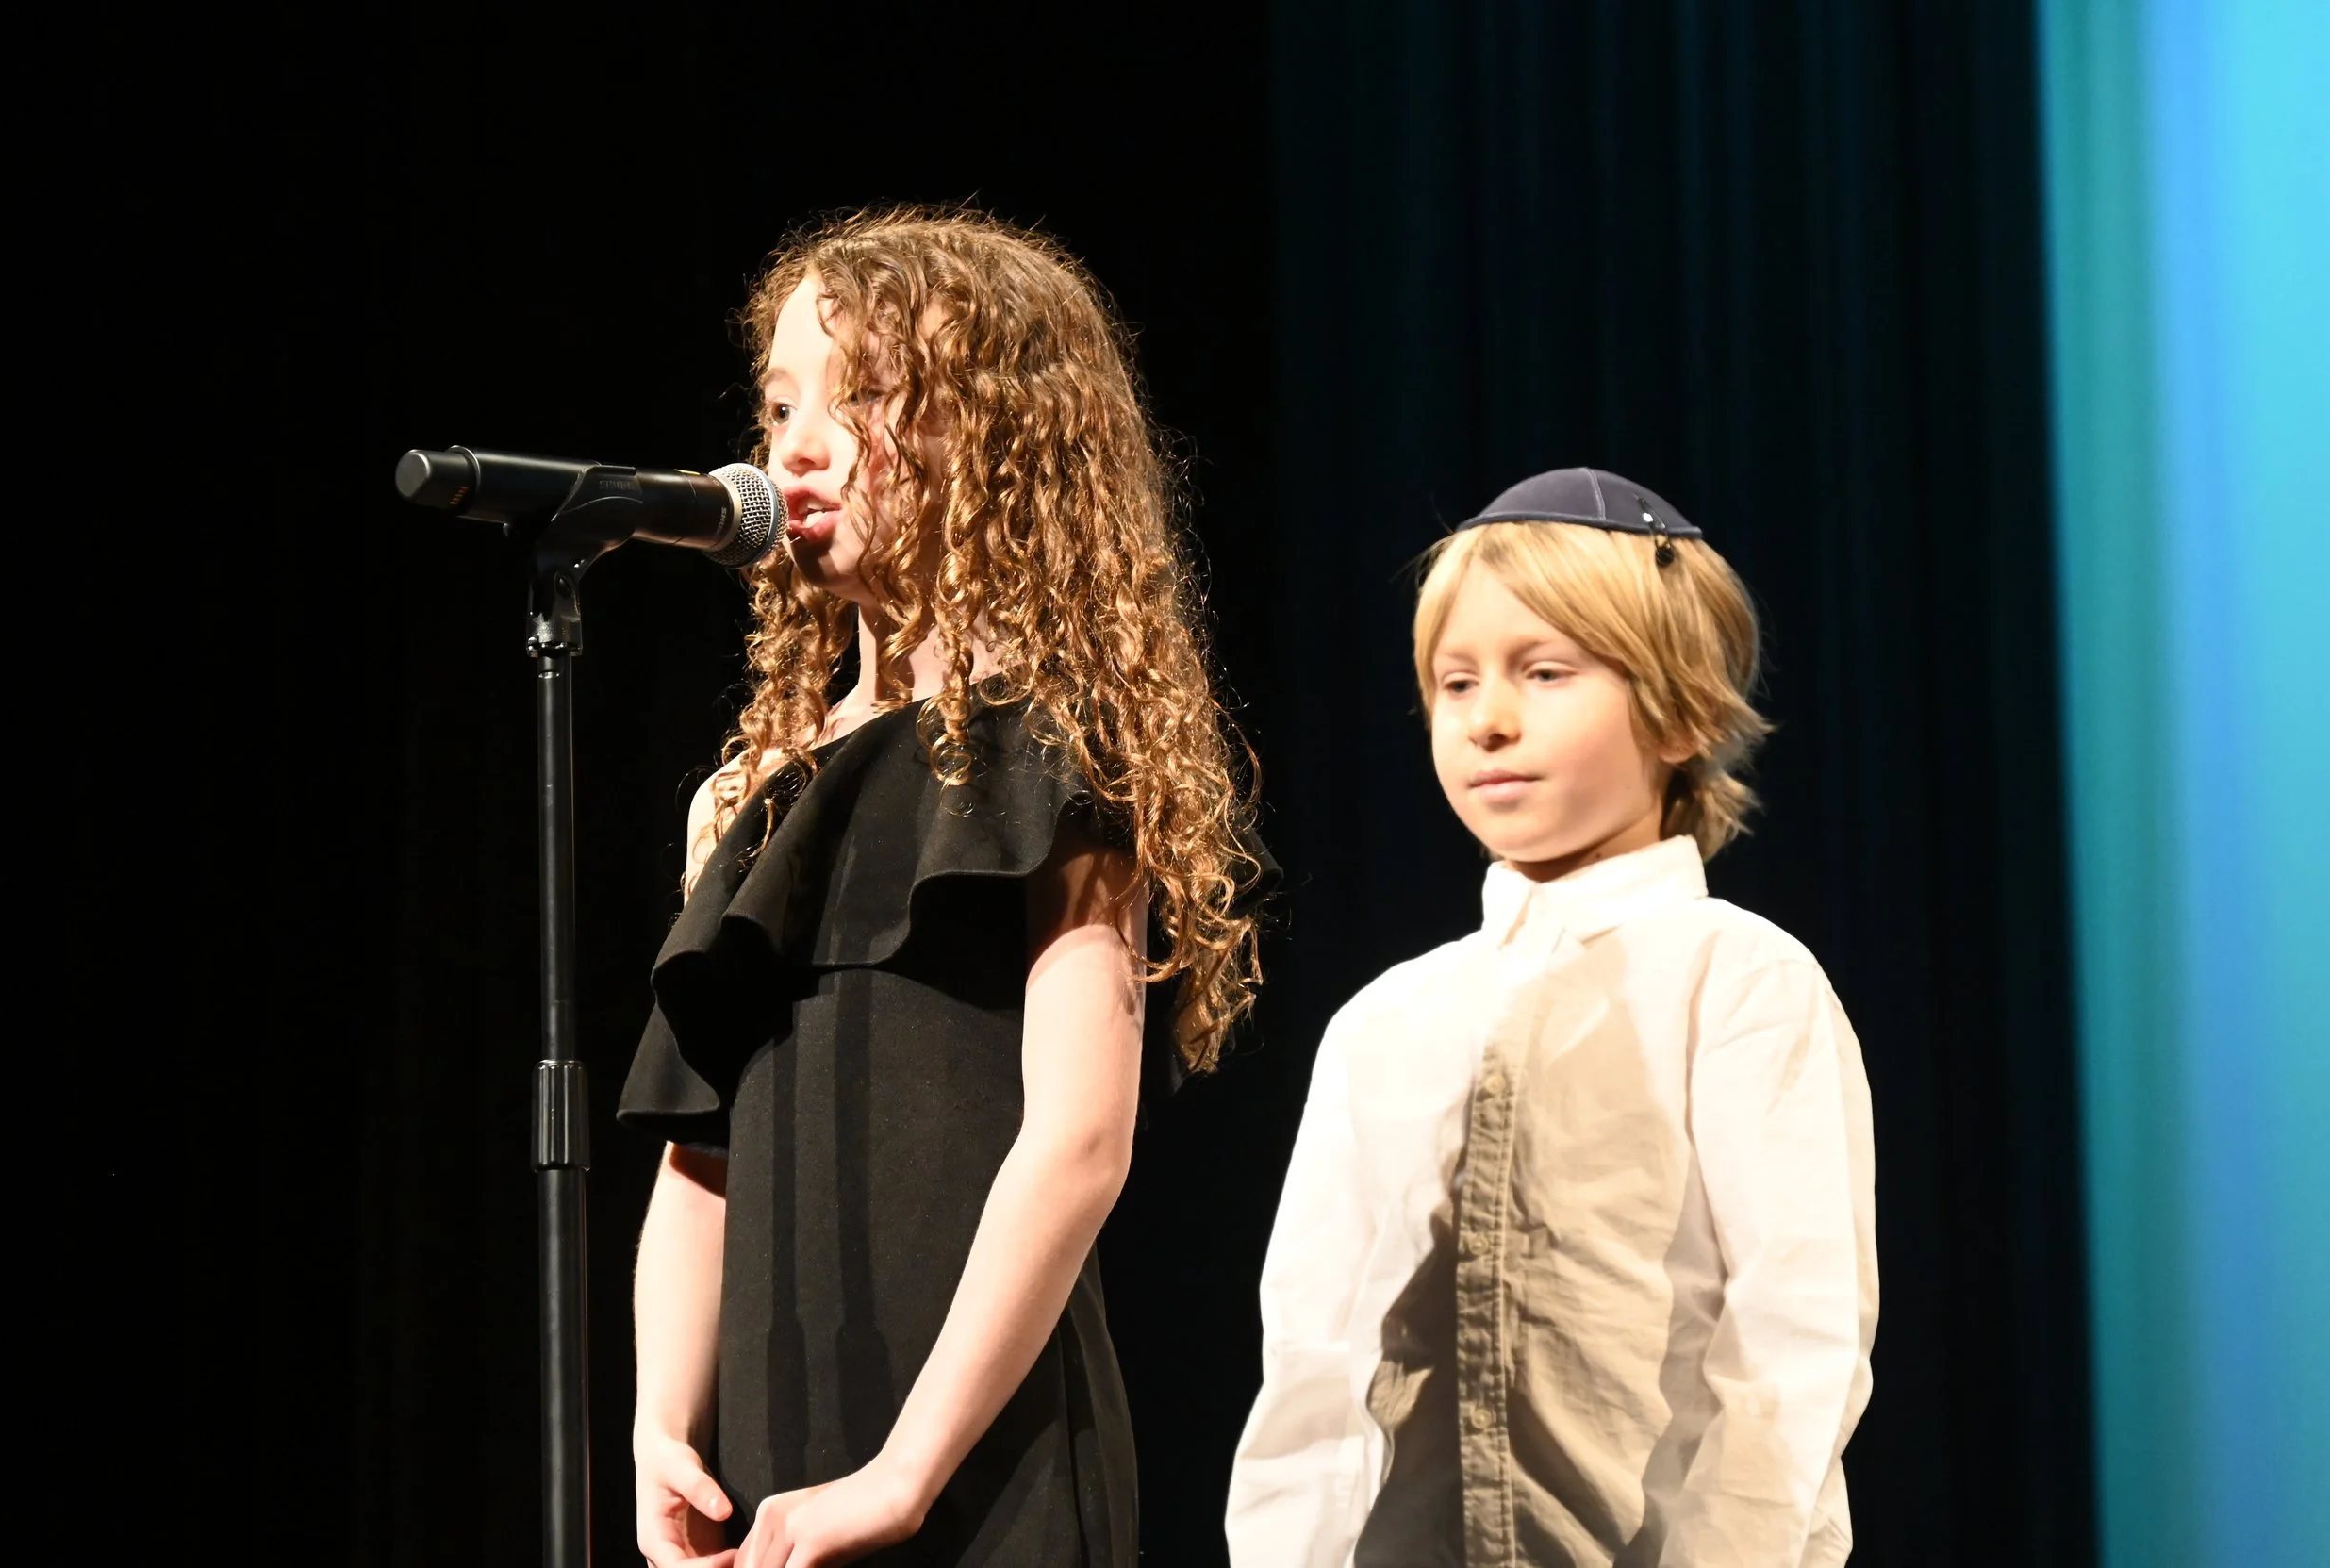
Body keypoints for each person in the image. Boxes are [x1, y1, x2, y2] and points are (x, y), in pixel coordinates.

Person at [622, 208, 1267, 1568]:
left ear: (1000, 437)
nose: (796, 446)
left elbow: (1078, 1139)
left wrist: (903, 1473)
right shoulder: (742, 798)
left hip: (981, 1461)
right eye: (780, 405)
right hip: (772, 1461)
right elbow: (701, 1153)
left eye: (859, 396)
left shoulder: (1057, 744)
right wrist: (659, 1422)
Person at [1227, 470, 1876, 1567]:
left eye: (1544, 671)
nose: (1488, 719)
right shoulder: (1383, 1023)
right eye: (1456, 681)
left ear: (1678, 708)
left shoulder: (1738, 982)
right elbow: (1313, 1368)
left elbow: (1790, 1342)